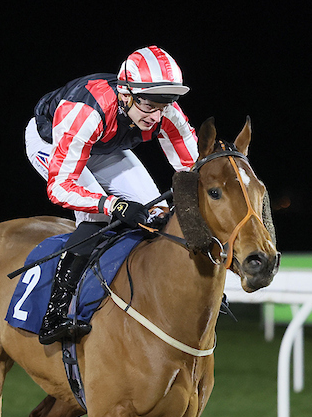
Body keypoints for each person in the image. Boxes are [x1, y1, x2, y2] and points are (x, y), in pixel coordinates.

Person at [25, 45, 199, 344]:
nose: (157, 116)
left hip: (103, 145)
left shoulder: (164, 111)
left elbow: (192, 169)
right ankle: (54, 314)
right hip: (55, 142)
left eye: (165, 105)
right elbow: (60, 188)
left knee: (157, 213)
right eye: (149, 105)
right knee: (95, 219)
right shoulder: (84, 112)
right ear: (125, 94)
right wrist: (111, 204)